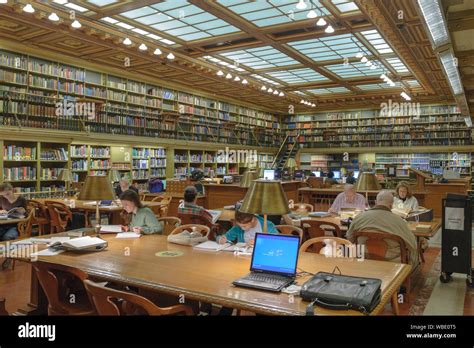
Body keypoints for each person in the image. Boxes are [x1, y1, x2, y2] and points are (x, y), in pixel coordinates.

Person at [346, 190, 418, 268]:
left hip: (365, 260)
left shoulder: (359, 217)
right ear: (391, 205)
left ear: (375, 202)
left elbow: (349, 239)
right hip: (393, 264)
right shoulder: (399, 221)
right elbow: (413, 245)